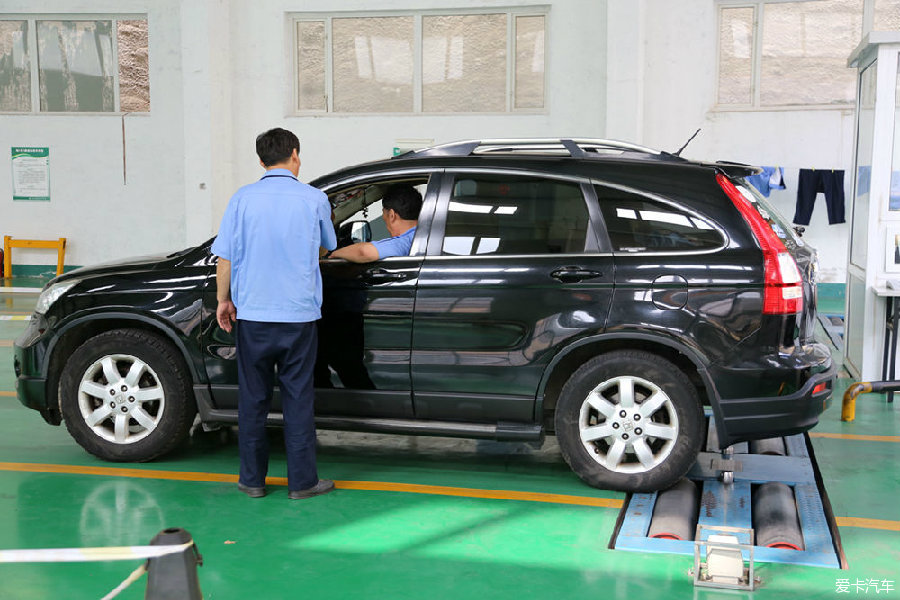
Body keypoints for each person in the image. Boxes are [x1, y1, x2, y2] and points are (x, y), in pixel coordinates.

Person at [212, 127, 337, 500]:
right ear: (294, 154)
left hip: (254, 317)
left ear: (261, 160)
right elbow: (328, 247)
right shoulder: (315, 199)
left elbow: (226, 258)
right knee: (298, 398)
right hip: (298, 318)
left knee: (253, 399)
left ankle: (252, 480)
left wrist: (224, 300)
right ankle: (302, 483)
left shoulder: (242, 199)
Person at [325, 184, 422, 262]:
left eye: (383, 213)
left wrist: (334, 254)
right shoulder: (424, 235)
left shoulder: (407, 241)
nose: (384, 218)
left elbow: (363, 252)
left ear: (392, 215)